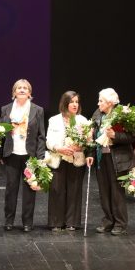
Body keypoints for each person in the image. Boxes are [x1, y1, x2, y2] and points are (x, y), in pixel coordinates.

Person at [0, 79, 46, 232]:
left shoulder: (37, 110)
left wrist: (40, 158)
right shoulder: (6, 109)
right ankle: (9, 221)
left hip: (30, 155)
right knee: (10, 189)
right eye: (18, 88)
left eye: (25, 88)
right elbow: (0, 132)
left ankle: (27, 222)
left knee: (29, 190)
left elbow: (41, 136)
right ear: (14, 92)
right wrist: (0, 154)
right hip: (12, 154)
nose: (21, 90)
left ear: (29, 93)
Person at [45, 91, 94, 232]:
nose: (75, 104)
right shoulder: (54, 120)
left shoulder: (83, 121)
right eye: (72, 102)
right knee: (57, 190)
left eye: (77, 102)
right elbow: (48, 141)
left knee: (74, 190)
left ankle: (72, 222)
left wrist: (81, 146)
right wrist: (58, 148)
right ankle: (56, 222)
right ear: (65, 103)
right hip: (58, 159)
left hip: (76, 159)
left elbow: (89, 142)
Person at [91, 88, 135, 235]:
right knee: (104, 191)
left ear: (110, 103)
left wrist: (115, 135)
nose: (98, 103)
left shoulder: (123, 114)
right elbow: (92, 137)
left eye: (101, 101)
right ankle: (108, 221)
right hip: (101, 157)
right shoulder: (97, 114)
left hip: (117, 158)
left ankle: (120, 223)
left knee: (116, 192)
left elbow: (132, 137)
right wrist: (90, 153)